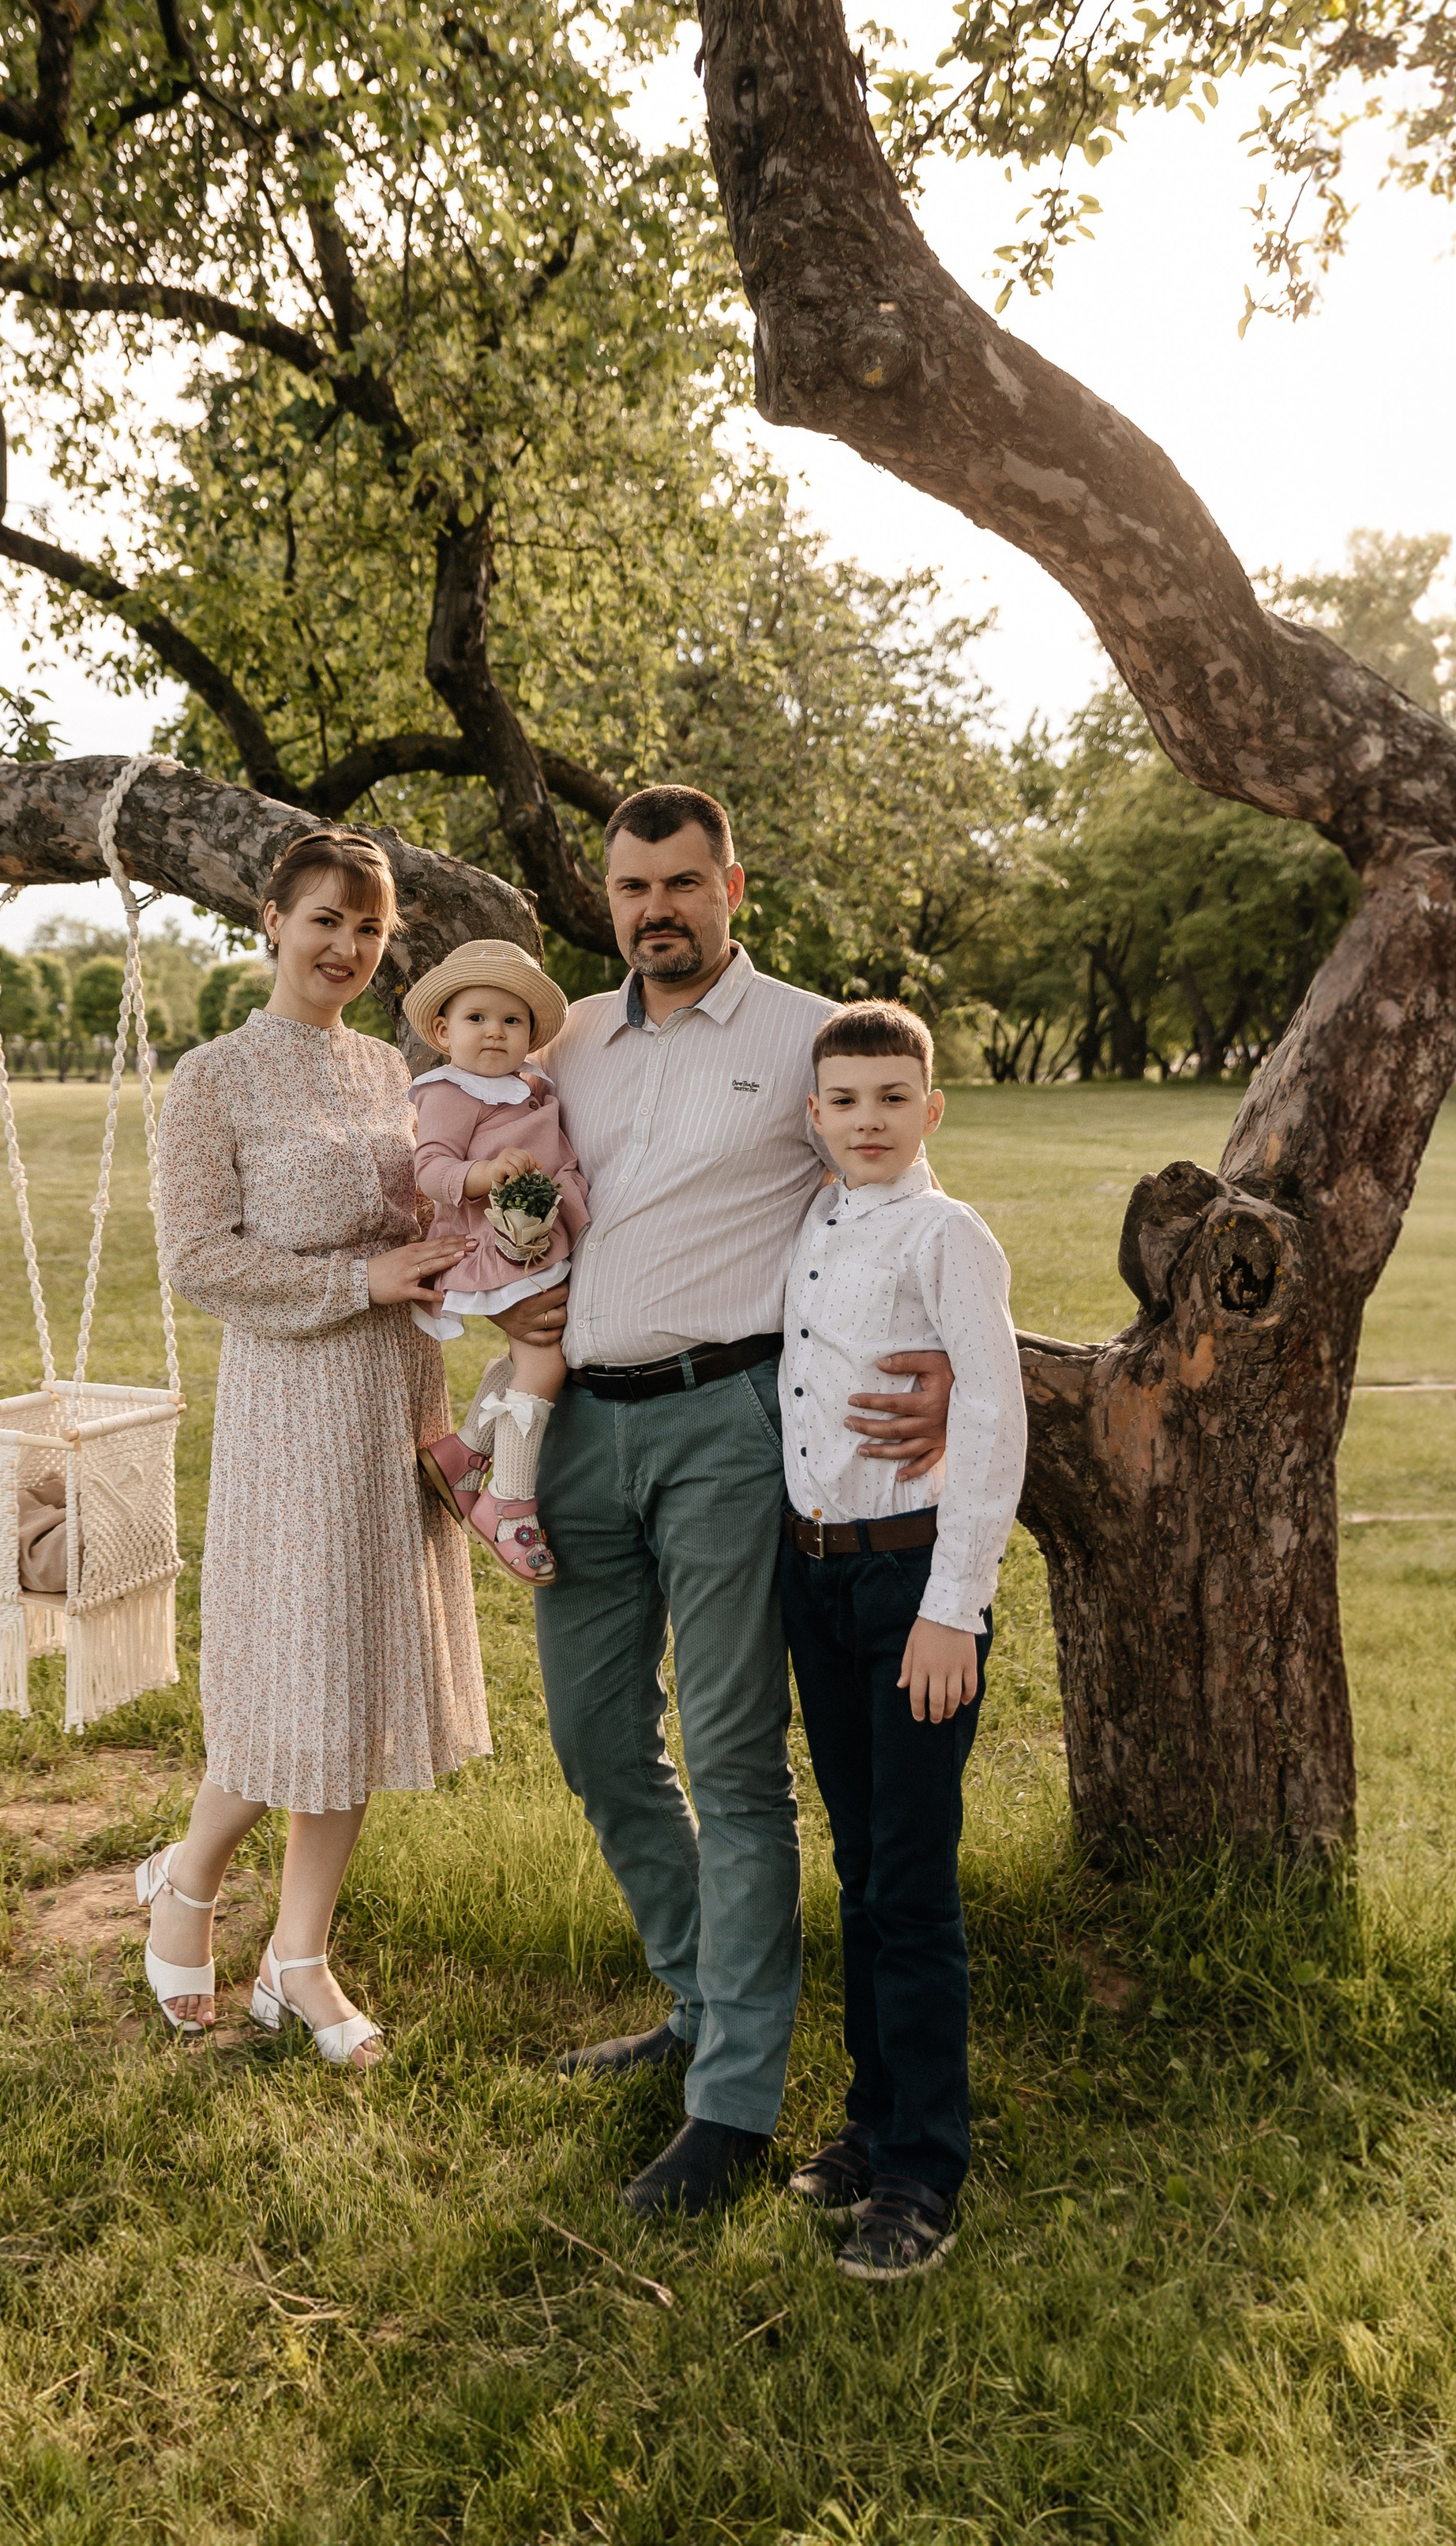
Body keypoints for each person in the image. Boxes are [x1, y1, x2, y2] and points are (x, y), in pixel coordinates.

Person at [511, 786, 953, 2216]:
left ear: (733, 887)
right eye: (634, 887)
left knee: (733, 1756)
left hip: (729, 1423)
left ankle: (735, 2104)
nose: (658, 911)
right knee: (592, 1736)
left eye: (684, 883)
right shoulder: (569, 1039)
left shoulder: (807, 1039)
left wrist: (942, 1365)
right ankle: (699, 1992)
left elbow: (904, 1210)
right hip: (580, 1423)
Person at [139, 828, 484, 2069]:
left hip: (396, 1396)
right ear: (272, 920)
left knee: (359, 1680)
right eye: (327, 919)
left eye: (371, 928)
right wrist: (361, 1275)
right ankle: (186, 1887)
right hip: (293, 1406)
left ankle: (299, 1959)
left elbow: (437, 1211)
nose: (348, 946)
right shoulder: (214, 1079)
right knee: (297, 1672)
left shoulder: (397, 1073)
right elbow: (197, 1260)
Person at [778, 1001, 1026, 2283]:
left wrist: (953, 1602)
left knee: (914, 1883)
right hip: (813, 1583)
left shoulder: (948, 1232)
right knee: (863, 1864)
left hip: (909, 1589)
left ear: (929, 1110)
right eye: (844, 1100)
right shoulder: (815, 1219)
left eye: (890, 1097)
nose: (867, 1120)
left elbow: (989, 1409)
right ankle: (872, 2123)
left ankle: (925, 2164)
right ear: (812, 1117)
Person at [402, 941, 590, 1589]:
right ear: (441, 1030)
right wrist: (482, 1174)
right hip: (494, 1245)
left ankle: (460, 1455)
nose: (494, 1031)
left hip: (530, 1239)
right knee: (545, 1360)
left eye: (511, 1021)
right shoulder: (451, 1090)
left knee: (525, 1360)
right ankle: (509, 1503)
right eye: (477, 1017)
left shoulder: (528, 1087)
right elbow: (428, 1167)